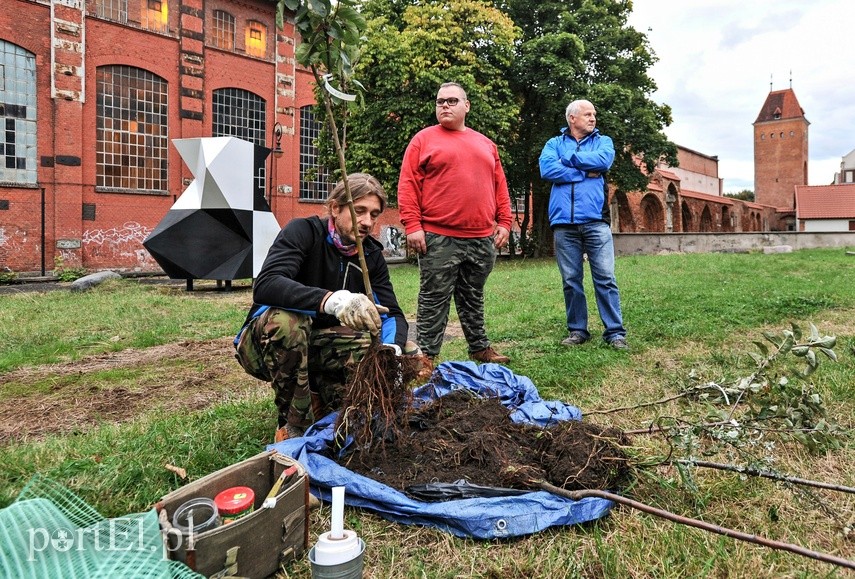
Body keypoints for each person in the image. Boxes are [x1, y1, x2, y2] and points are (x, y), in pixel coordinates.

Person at [234, 173, 413, 442]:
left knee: (405, 350)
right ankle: (294, 425)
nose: (367, 222)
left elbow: (392, 314)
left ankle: (332, 399)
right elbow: (267, 284)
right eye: (359, 210)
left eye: (374, 215)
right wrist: (331, 301)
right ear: (335, 208)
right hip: (266, 343)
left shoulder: (371, 255)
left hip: (322, 343)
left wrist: (392, 350)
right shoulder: (303, 233)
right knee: (288, 322)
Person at [398, 82, 512, 364]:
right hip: (439, 236)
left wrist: (505, 222)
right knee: (433, 299)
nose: (444, 106)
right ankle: (425, 357)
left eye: (451, 101)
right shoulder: (423, 140)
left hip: (481, 237)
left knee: (473, 296)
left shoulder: (486, 144)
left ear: (466, 105)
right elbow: (408, 184)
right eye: (440, 102)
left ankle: (479, 347)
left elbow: (499, 185)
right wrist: (412, 225)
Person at [538, 99, 628, 350]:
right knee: (571, 280)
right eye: (587, 114)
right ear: (572, 118)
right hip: (563, 224)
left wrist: (569, 159)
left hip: (596, 222)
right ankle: (578, 330)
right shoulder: (553, 144)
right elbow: (547, 169)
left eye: (594, 114)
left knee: (606, 278)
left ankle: (615, 332)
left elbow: (603, 162)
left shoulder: (604, 141)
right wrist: (583, 171)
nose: (593, 118)